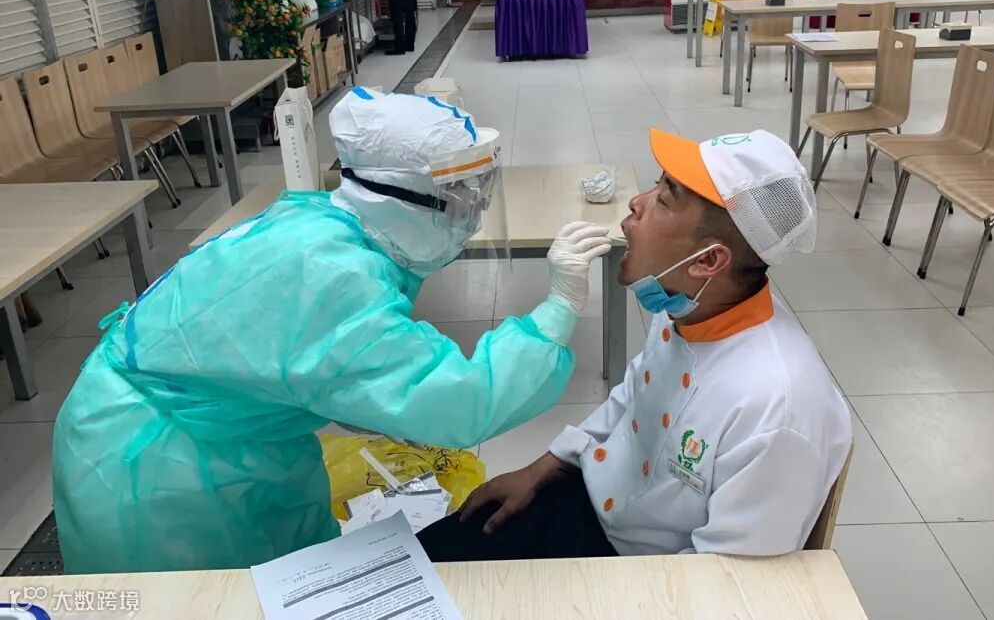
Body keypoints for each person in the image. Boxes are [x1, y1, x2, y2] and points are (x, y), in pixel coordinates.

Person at [52, 90, 613, 574]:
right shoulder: (331, 278)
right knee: (212, 599)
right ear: (400, 200)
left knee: (290, 580)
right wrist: (558, 310)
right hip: (155, 473)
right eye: (460, 202)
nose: (472, 217)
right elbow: (460, 402)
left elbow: (292, 358)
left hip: (222, 439)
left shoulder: (322, 221)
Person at [419, 128, 853, 560]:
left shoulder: (778, 409)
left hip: (643, 571)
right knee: (420, 560)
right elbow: (632, 397)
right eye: (656, 184)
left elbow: (727, 577)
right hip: (591, 500)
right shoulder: (689, 306)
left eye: (664, 199)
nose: (636, 202)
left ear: (707, 260)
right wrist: (543, 468)